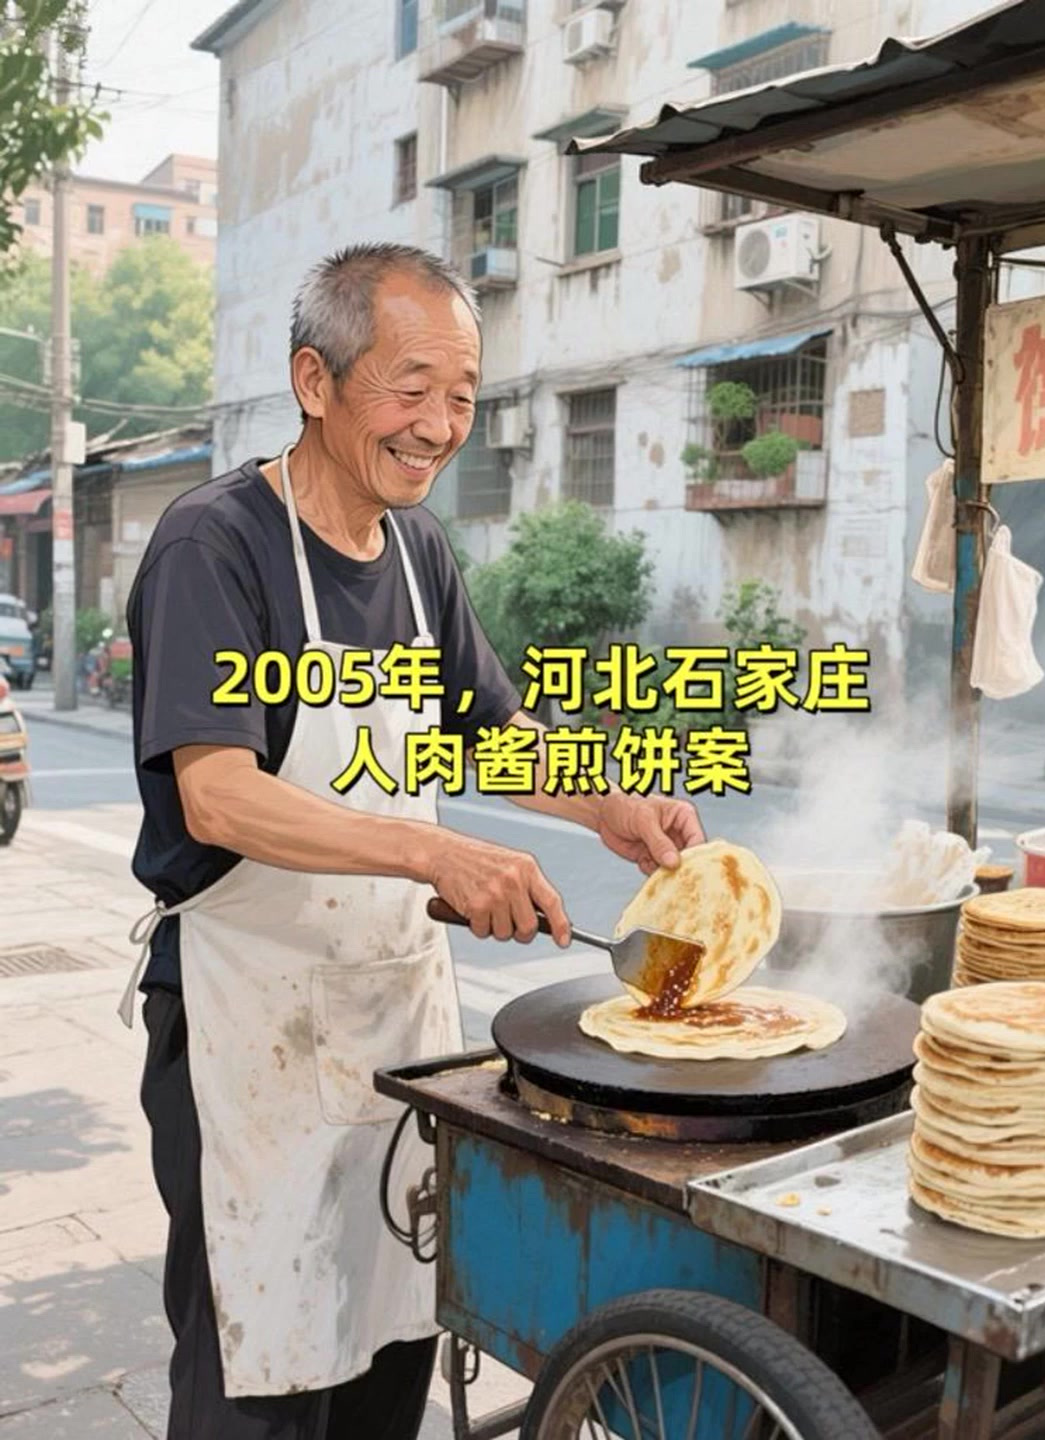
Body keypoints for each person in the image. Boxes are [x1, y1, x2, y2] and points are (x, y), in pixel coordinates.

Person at [119, 242, 705, 1440]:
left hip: (395, 1027)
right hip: (243, 1027)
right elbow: (216, 796)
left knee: (387, 1359)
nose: (440, 426)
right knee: (258, 1381)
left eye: (463, 395)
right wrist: (436, 853)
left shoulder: (419, 552)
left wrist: (612, 801)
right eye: (412, 387)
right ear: (316, 381)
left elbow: (490, 735)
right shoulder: (213, 544)